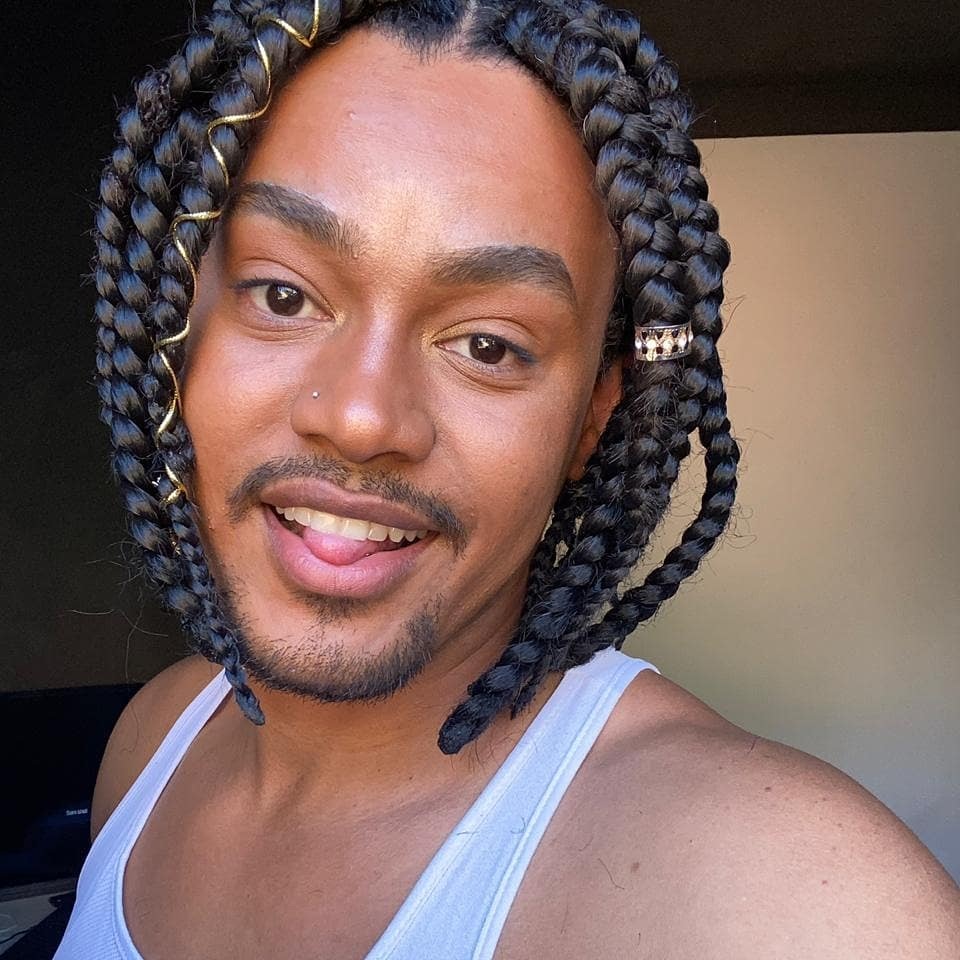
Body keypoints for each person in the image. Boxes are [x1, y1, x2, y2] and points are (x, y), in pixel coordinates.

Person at [56, 1, 960, 957]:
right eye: (284, 295)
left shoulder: (790, 902)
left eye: (488, 345)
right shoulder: (154, 742)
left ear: (591, 421)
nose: (362, 417)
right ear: (174, 328)